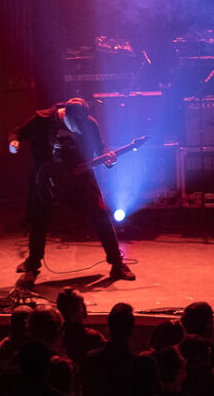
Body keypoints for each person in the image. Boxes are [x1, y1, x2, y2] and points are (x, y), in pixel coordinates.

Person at [8, 97, 134, 282]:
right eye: (73, 123)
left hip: (80, 179)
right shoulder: (44, 119)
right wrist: (14, 142)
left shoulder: (89, 124)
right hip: (50, 179)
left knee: (102, 217)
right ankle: (33, 263)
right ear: (65, 113)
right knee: (39, 222)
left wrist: (109, 161)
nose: (77, 127)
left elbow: (101, 150)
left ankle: (117, 264)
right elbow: (17, 132)